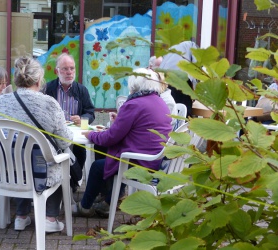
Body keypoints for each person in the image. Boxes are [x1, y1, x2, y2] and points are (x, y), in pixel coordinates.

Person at [0, 56, 73, 232]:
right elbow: (65, 140)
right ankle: (50, 218)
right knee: (57, 160)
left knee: (20, 155)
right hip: (39, 173)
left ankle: (21, 216)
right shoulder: (49, 103)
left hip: (4, 170)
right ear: (38, 79)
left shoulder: (0, 102)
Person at [74, 67, 172, 218]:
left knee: (97, 166)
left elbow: (111, 137)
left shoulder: (134, 104)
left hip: (140, 162)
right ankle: (108, 201)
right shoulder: (160, 102)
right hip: (157, 160)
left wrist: (91, 134)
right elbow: (139, 129)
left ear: (135, 84)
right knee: (105, 152)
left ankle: (85, 207)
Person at [44, 53, 95, 189]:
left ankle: (73, 184)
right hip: (53, 134)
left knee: (80, 149)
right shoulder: (48, 89)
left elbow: (90, 113)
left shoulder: (81, 90)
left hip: (75, 133)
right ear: (57, 71)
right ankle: (54, 181)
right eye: (65, 69)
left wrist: (83, 120)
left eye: (72, 68)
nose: (69, 72)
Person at [159, 41, 198, 117]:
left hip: (166, 80)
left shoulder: (173, 48)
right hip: (181, 81)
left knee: (168, 110)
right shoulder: (193, 47)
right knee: (184, 111)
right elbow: (196, 69)